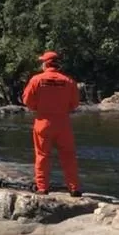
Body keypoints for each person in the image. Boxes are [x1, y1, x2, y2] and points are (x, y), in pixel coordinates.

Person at [21, 51, 82, 196]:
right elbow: (74, 104)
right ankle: (74, 188)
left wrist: (38, 107)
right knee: (68, 156)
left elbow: (27, 101)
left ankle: (42, 188)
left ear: (46, 64)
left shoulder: (36, 80)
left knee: (42, 155)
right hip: (63, 123)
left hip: (43, 122)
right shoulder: (69, 81)